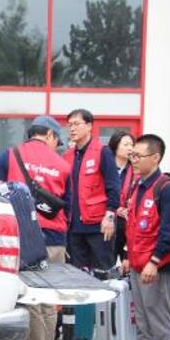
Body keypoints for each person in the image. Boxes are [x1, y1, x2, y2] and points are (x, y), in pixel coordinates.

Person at [0, 116, 70, 340]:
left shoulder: (10, 155)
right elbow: (69, 205)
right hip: (56, 240)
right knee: (48, 301)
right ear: (49, 135)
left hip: (24, 239)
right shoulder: (63, 164)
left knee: (30, 301)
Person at [115, 134, 170, 340]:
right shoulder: (137, 186)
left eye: (138, 156)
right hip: (137, 266)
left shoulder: (166, 188)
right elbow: (133, 227)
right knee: (142, 319)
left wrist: (155, 261)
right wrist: (129, 257)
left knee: (160, 319)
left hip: (158, 267)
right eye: (132, 155)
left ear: (155, 157)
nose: (133, 160)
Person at [63, 108, 120, 272]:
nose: (72, 128)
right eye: (69, 125)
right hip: (74, 228)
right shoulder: (68, 156)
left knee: (102, 273)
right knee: (77, 276)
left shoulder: (103, 152)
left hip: (98, 226)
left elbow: (114, 186)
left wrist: (110, 216)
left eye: (76, 124)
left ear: (89, 126)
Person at [110, 131, 135, 262]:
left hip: (127, 221)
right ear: (115, 146)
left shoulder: (135, 169)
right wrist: (116, 209)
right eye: (126, 144)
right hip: (108, 218)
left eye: (132, 145)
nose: (130, 148)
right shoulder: (107, 167)